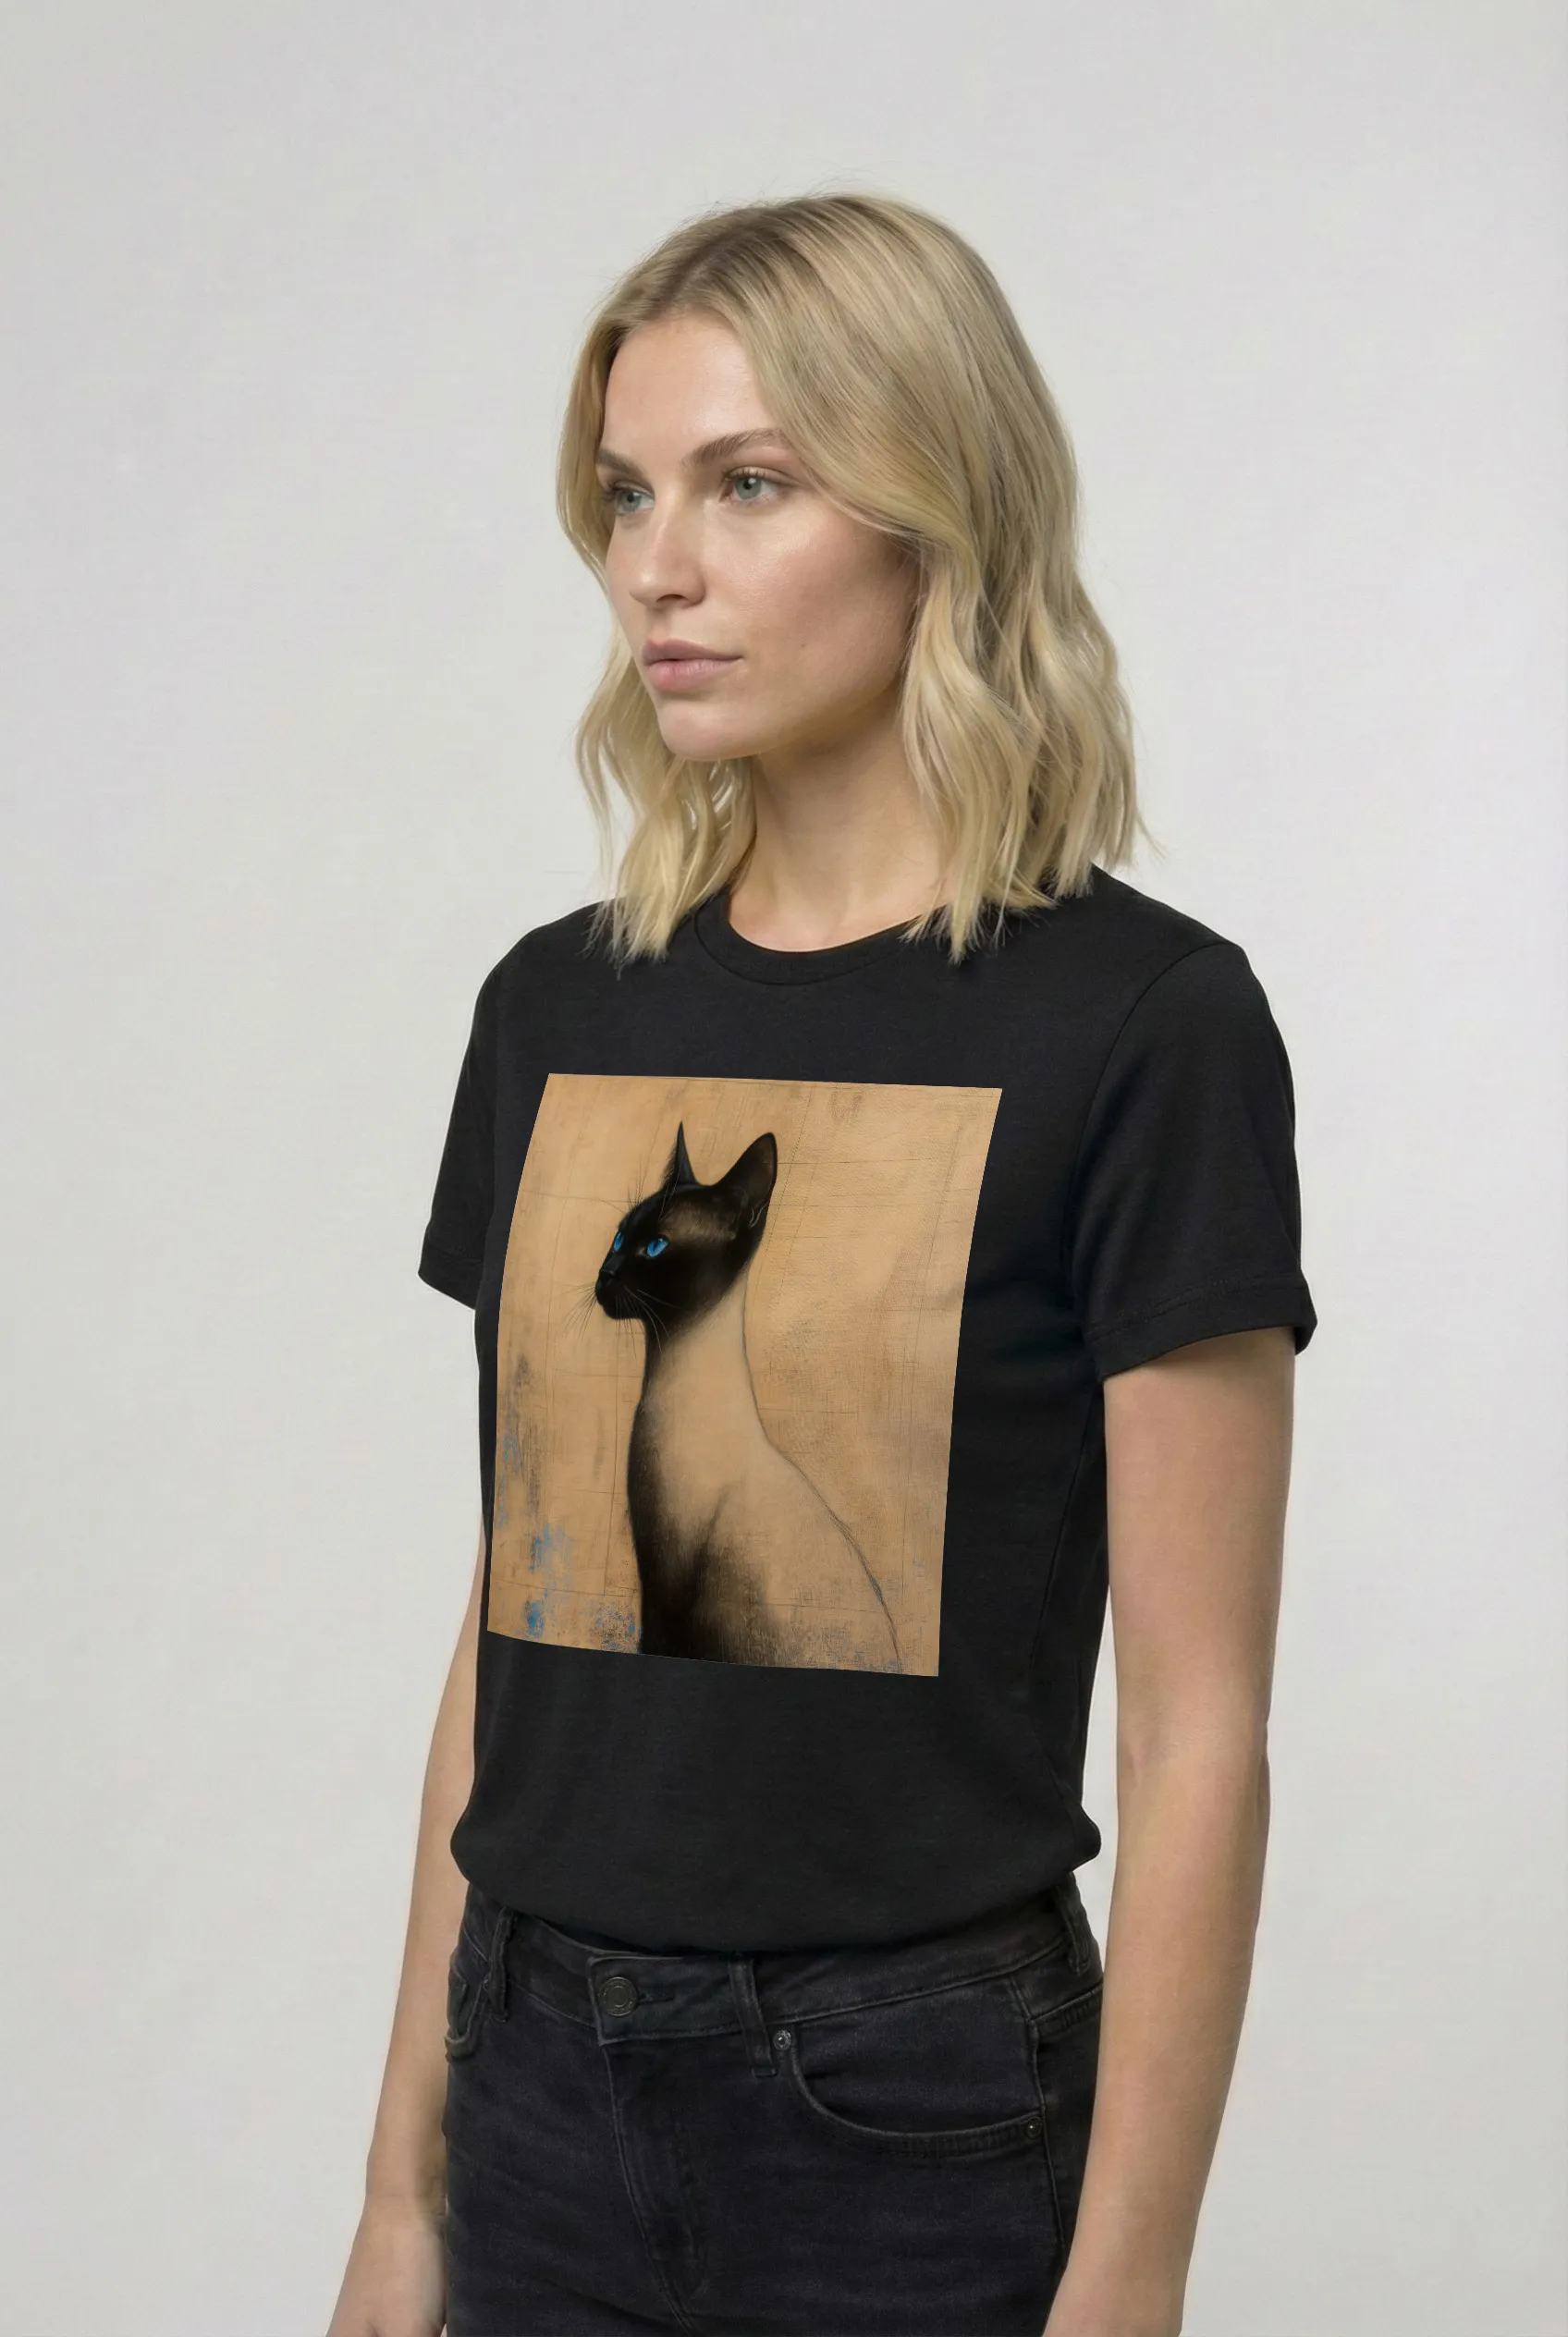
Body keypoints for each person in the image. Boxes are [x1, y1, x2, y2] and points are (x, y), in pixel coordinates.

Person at [325, 191, 1317, 2337]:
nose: (652, 567)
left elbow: (1196, 1729)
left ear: (934, 509)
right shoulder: (554, 1009)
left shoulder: (1139, 1026)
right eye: (625, 492)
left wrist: (1125, 2284)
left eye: (747, 483)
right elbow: (515, 1623)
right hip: (531, 2081)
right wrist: (401, 2192)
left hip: (908, 2107)